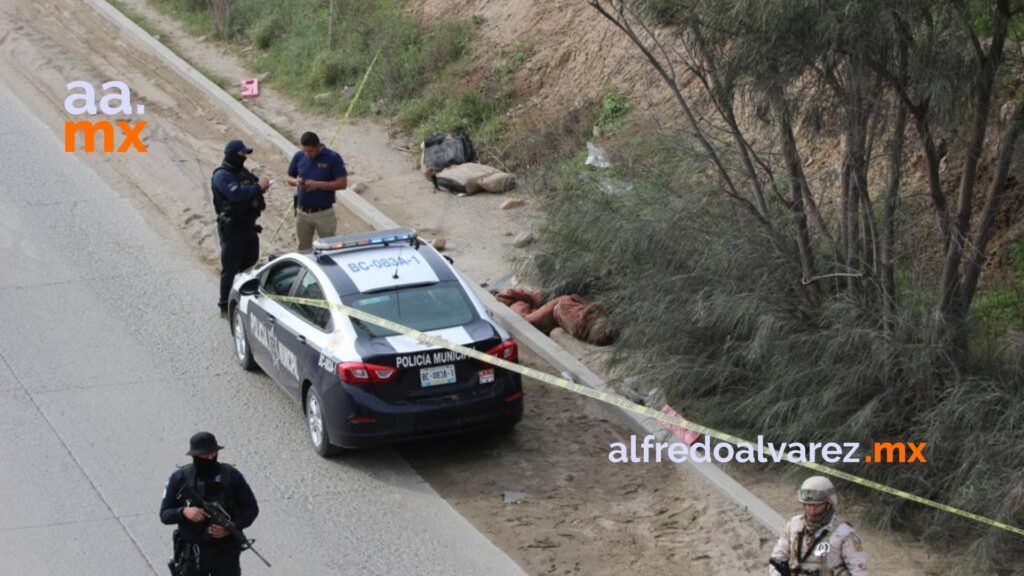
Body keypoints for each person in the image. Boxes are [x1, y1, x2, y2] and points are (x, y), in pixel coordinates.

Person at [160, 432, 259, 576]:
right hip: (194, 556)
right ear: (195, 456)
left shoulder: (232, 476)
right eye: (205, 456)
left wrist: (232, 527)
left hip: (226, 555)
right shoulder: (180, 478)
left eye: (213, 455)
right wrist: (185, 512)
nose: (210, 459)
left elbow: (251, 508)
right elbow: (164, 514)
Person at [212, 140, 270, 318]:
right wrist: (257, 187)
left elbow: (253, 186)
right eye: (242, 154)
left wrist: (261, 186)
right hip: (233, 231)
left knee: (250, 267)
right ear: (232, 154)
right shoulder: (222, 176)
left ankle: (245, 301)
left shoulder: (242, 172)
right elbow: (236, 195)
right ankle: (224, 305)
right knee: (230, 270)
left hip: (249, 228)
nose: (245, 157)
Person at [769, 476, 868, 576]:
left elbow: (859, 571)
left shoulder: (844, 533)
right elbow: (777, 558)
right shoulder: (793, 525)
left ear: (828, 504)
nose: (812, 511)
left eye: (817, 506)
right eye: (808, 505)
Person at [285, 131, 348, 251]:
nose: (307, 154)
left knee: (329, 248)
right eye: (305, 150)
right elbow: (289, 177)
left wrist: (318, 185)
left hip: (323, 213)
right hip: (302, 213)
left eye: (310, 151)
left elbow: (342, 183)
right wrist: (296, 183)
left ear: (318, 146)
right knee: (303, 248)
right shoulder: (299, 156)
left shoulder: (332, 158)